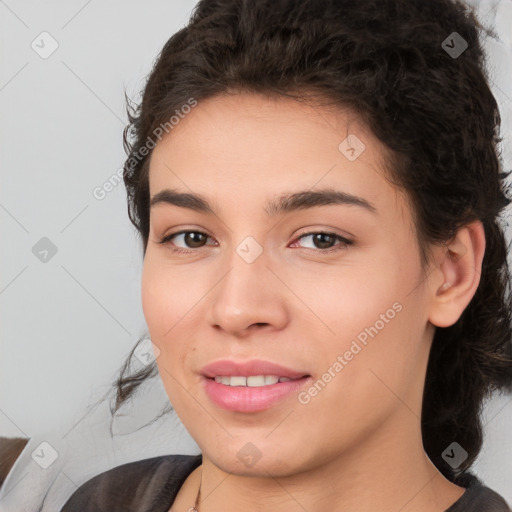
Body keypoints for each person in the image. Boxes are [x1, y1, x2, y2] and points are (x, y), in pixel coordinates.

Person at [60, 0, 512, 510]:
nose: (236, 309)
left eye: (320, 239)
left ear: (451, 272)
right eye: (191, 237)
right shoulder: (99, 502)